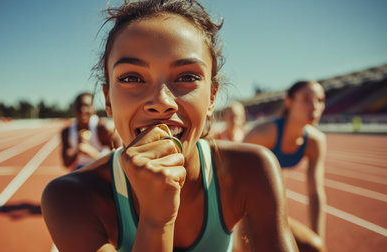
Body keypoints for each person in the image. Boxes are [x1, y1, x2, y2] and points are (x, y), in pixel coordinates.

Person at [42, 1, 298, 251]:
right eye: (132, 77)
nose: (162, 102)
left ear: (211, 98)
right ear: (108, 100)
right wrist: (156, 221)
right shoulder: (70, 198)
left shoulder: (252, 170)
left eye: (187, 77)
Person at [242, 80, 327, 252]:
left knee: (316, 248)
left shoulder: (315, 142)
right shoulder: (263, 133)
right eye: (307, 99)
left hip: (271, 211)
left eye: (320, 100)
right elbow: (234, 178)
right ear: (289, 102)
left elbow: (315, 193)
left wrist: (318, 236)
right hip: (239, 208)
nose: (315, 106)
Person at [61, 92, 121, 171]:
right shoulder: (67, 132)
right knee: (58, 182)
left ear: (93, 108)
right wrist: (78, 150)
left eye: (86, 106)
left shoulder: (103, 128)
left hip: (103, 169)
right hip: (81, 169)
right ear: (74, 108)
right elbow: (66, 163)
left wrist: (92, 152)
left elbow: (120, 159)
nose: (82, 110)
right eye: (79, 106)